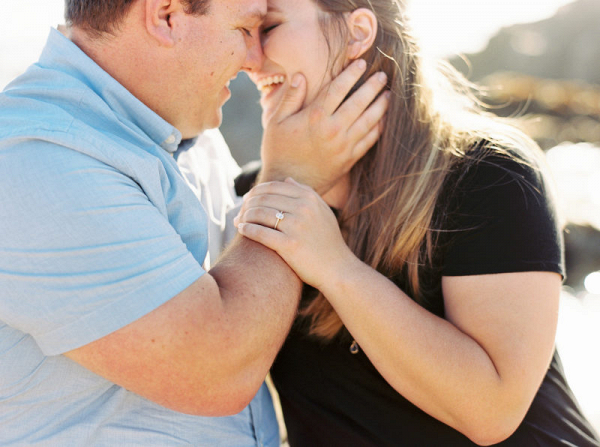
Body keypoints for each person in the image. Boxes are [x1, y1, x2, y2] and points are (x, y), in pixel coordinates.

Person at [0, 0, 390, 445]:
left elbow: (247, 281)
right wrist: (291, 178)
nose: (254, 58)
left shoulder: (188, 131)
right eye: (245, 28)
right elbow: (219, 370)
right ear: (166, 15)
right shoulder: (36, 157)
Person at [234, 0, 600, 445]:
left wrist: (335, 266)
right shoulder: (253, 196)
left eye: (269, 26)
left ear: (357, 33)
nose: (247, 57)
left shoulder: (487, 174)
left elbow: (492, 410)